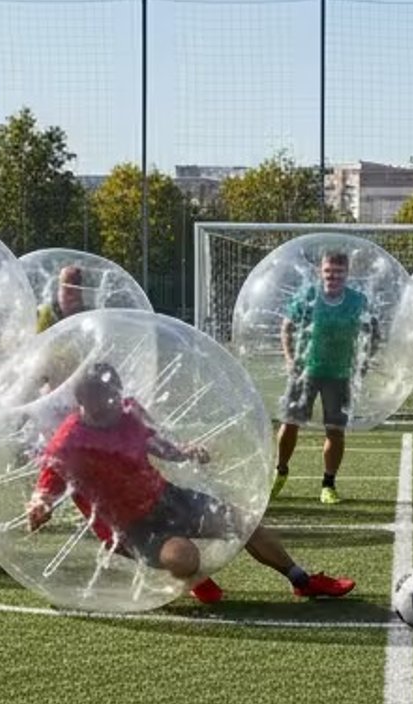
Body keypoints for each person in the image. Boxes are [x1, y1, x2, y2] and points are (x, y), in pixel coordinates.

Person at [25, 359, 355, 603]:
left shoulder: (127, 410)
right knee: (185, 558)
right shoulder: (69, 441)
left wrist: (184, 451)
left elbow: (154, 442)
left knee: (244, 521)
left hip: (165, 497)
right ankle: (194, 576)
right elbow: (48, 482)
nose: (115, 405)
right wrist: (40, 505)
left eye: (116, 396)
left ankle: (302, 580)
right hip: (128, 528)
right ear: (84, 403)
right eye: (105, 401)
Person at [273, 248, 379, 506]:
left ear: (347, 274)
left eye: (338, 272)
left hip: (340, 375)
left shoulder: (358, 301)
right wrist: (290, 358)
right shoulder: (309, 296)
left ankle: (328, 484)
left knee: (335, 431)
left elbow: (373, 332)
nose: (333, 276)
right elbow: (287, 326)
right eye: (328, 271)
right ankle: (280, 470)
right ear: (320, 272)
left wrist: (364, 361)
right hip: (305, 372)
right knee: (290, 424)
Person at [35, 263, 92, 332]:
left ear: (80, 291)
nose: (70, 297)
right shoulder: (43, 313)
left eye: (74, 289)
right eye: (66, 290)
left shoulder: (89, 316)